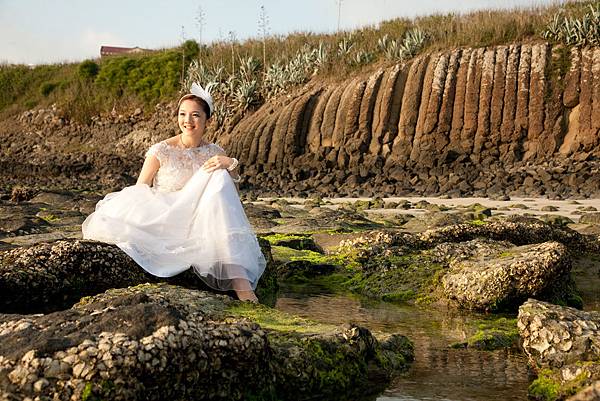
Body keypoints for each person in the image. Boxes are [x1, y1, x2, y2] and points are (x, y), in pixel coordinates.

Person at [82, 83, 266, 302]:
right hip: (168, 213)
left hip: (201, 216)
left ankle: (239, 281)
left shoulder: (215, 151)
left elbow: (230, 197)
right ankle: (241, 283)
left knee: (218, 174)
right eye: (183, 114)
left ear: (208, 120)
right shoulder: (161, 150)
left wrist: (230, 163)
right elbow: (140, 188)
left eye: (195, 115)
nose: (187, 121)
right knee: (217, 174)